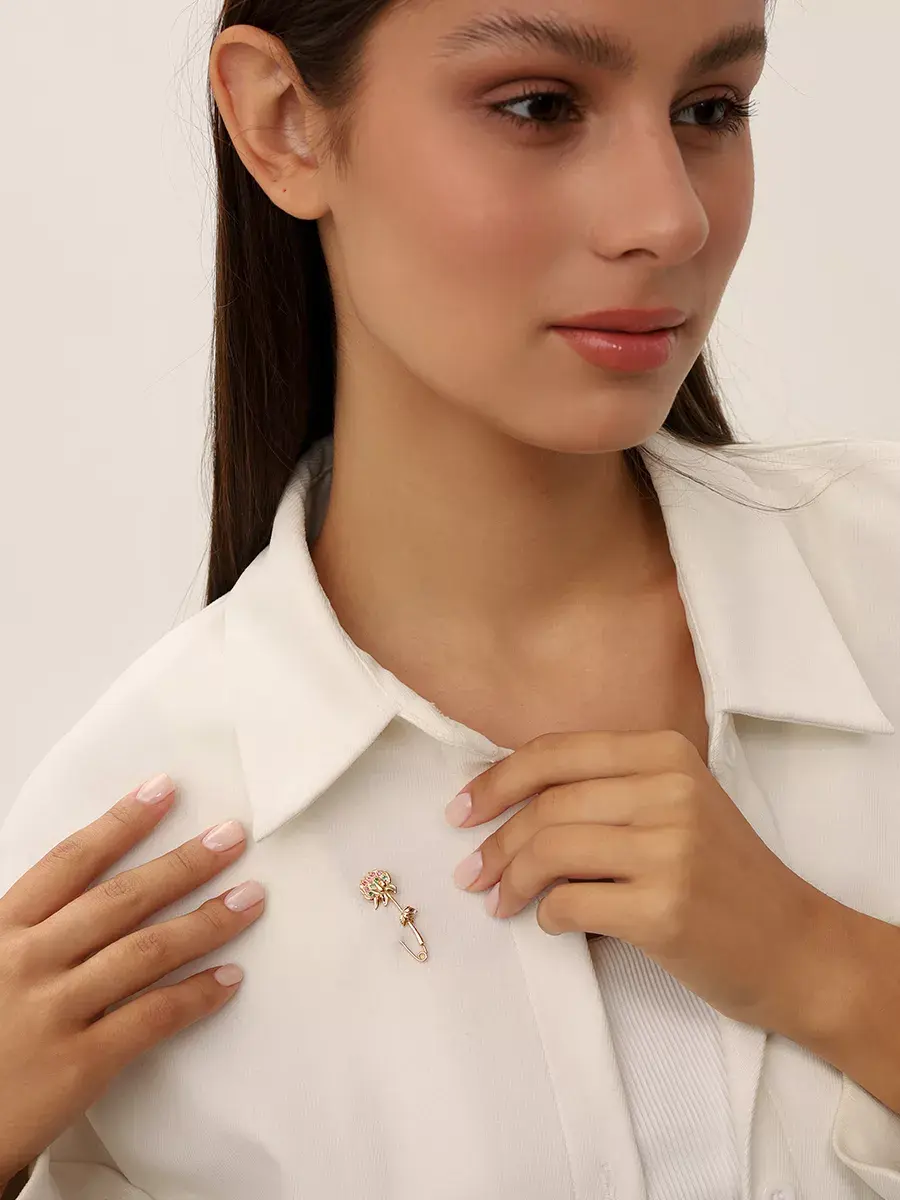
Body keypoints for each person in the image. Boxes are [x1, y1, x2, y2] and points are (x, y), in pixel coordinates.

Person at [2, 0, 900, 1196]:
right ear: (283, 123)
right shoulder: (121, 859)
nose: (670, 217)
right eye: (539, 106)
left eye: (709, 109)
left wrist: (831, 968)